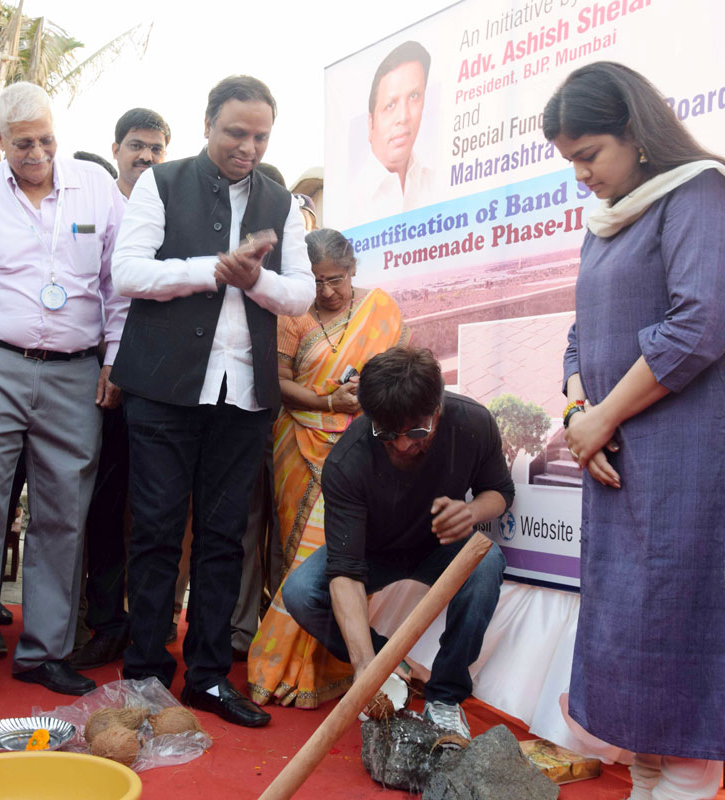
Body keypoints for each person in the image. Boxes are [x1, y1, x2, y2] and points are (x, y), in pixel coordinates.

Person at [542, 62, 725, 799]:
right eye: (570, 161)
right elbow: (578, 338)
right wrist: (576, 416)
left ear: (636, 132)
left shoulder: (700, 192)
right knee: (636, 691)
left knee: (679, 680)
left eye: (588, 154)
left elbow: (699, 324)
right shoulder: (608, 220)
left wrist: (603, 417)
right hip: (619, 478)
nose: (581, 176)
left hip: (687, 473)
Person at [112, 74, 315, 727]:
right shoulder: (162, 183)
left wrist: (255, 280)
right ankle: (144, 673)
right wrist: (212, 269)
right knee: (157, 532)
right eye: (237, 132)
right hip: (167, 389)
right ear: (207, 125)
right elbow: (129, 271)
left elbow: (301, 295)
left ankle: (206, 677)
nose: (249, 147)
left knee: (225, 538)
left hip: (244, 394)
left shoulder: (281, 202)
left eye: (260, 136)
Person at [0, 81, 127, 705]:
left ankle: (45, 652)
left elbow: (118, 287)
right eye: (23, 143)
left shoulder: (95, 190)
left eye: (46, 139)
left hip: (75, 372)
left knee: (64, 514)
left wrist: (114, 363)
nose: (37, 153)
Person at [281, 347, 511, 739]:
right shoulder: (347, 462)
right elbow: (345, 573)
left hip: (440, 544)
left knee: (486, 562)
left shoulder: (473, 423)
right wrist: (364, 665)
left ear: (437, 408)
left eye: (417, 432)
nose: (403, 445)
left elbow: (499, 492)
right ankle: (389, 664)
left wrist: (471, 513)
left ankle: (446, 696)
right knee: (301, 592)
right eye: (388, 435)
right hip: (374, 551)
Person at [247, 229, 408, 708]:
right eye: (317, 281)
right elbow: (277, 383)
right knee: (298, 554)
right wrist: (327, 400)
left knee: (343, 555)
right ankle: (282, 668)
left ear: (353, 268)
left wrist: (364, 399)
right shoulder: (292, 314)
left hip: (363, 447)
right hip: (298, 441)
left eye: (335, 280)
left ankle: (334, 667)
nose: (327, 291)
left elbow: (399, 376)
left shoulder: (381, 310)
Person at [69, 108, 171, 671]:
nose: (146, 157)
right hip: (98, 375)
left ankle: (151, 626)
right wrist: (110, 360)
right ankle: (103, 621)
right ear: (116, 148)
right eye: (137, 146)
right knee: (103, 503)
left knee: (155, 509)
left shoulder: (175, 211)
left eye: (157, 148)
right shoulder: (91, 206)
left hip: (160, 380)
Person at [351, 40, 437, 224]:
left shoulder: (437, 186)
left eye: (414, 96)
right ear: (370, 124)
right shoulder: (352, 204)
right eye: (390, 105)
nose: (403, 116)